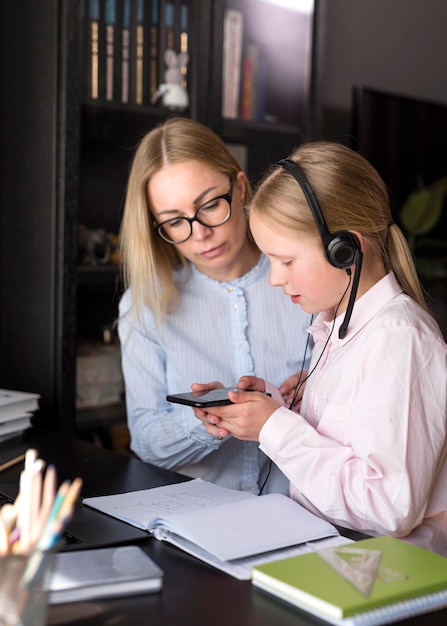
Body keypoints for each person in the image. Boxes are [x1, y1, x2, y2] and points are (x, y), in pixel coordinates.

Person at [194, 140, 447, 555]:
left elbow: (389, 509)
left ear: (345, 249)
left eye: (286, 261)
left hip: (382, 580)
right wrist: (274, 405)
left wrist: (275, 428)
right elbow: (347, 439)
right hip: (334, 563)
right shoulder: (335, 329)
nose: (275, 279)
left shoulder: (400, 341)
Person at [117, 117, 312, 495]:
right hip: (196, 525)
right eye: (175, 222)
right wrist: (203, 421)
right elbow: (145, 442)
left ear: (240, 188)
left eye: (209, 205)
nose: (200, 233)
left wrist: (320, 399)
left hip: (303, 519)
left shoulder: (309, 284)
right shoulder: (144, 307)